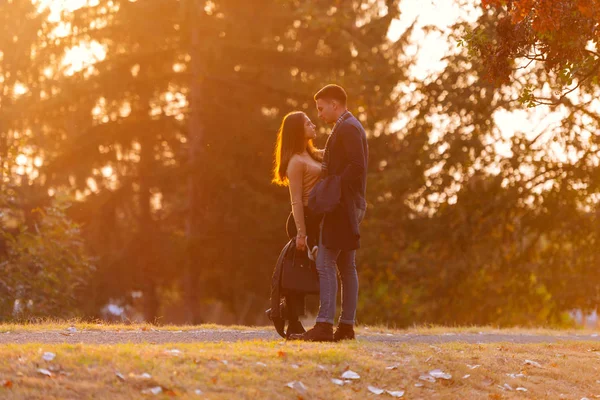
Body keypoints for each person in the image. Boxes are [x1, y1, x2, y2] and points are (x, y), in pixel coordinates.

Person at [289, 84, 368, 342]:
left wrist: (333, 186)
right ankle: (345, 327)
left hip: (342, 205)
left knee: (325, 262)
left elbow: (357, 166)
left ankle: (324, 325)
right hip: (346, 203)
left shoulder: (347, 128)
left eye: (322, 109)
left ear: (335, 105)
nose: (320, 115)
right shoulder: (348, 126)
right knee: (346, 265)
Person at [272, 111, 324, 338]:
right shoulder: (296, 161)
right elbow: (295, 200)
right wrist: (302, 233)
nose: (313, 124)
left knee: (305, 272)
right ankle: (291, 319)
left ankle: (288, 315)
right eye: (308, 123)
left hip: (316, 219)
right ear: (297, 130)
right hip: (303, 220)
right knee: (299, 272)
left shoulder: (312, 155)